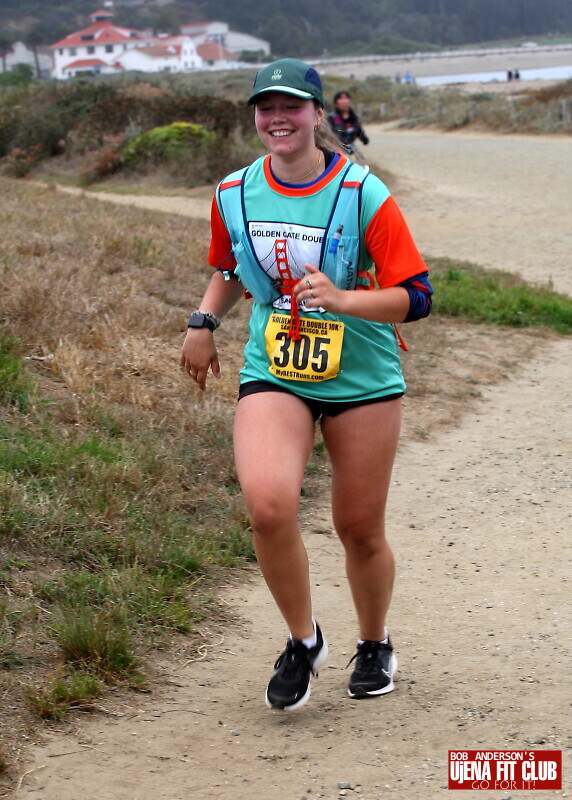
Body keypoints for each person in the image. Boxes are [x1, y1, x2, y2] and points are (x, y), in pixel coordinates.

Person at [181, 58, 433, 711]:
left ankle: (375, 642)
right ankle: (304, 641)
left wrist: (345, 300)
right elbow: (229, 267)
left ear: (318, 114)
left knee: (358, 528)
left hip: (362, 374)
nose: (278, 119)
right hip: (275, 367)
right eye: (266, 108)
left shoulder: (361, 192)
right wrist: (204, 321)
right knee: (267, 507)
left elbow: (417, 296)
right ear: (255, 117)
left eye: (291, 106)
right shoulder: (233, 193)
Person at [327, 90, 369, 155]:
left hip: (350, 147)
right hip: (336, 149)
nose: (344, 101)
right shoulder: (332, 118)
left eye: (346, 98)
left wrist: (364, 139)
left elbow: (358, 130)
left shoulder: (354, 117)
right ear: (336, 103)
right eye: (341, 99)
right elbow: (327, 134)